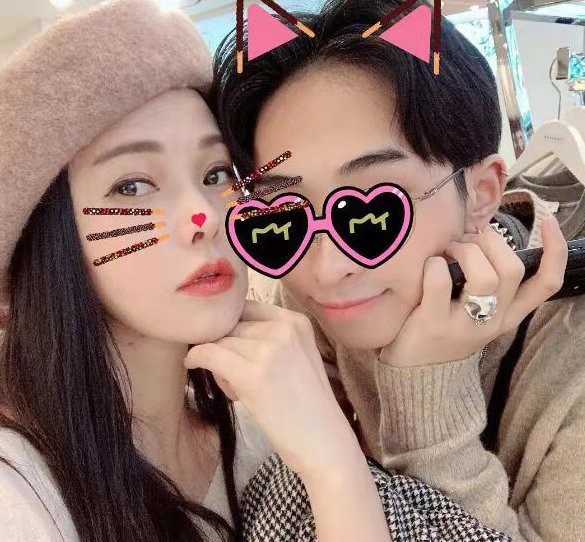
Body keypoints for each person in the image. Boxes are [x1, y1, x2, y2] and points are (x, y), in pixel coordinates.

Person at [0, 1, 391, 540]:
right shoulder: (20, 498)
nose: (201, 219)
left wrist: (335, 463)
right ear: (51, 240)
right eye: (132, 186)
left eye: (215, 174)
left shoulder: (261, 430)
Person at [212, 0, 584, 539]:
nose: (327, 269)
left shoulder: (569, 360)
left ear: (483, 193)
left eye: (373, 212)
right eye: (286, 215)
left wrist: (429, 395)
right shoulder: (307, 303)